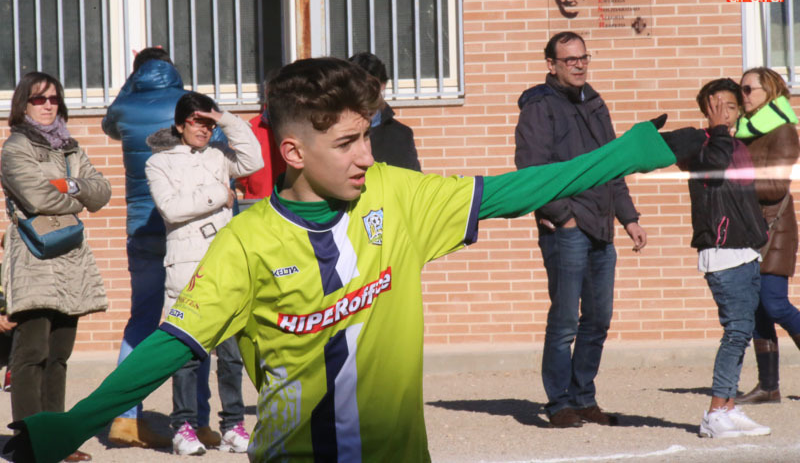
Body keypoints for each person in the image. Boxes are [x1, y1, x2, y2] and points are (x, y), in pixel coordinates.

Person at [4, 57, 695, 463]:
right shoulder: (246, 241)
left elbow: (519, 190)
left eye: (367, 135)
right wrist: (72, 423)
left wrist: (632, 151)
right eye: (346, 142)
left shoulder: (398, 195)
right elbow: (170, 344)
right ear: (294, 152)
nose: (366, 154)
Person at [514, 31, 647, 428]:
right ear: (551, 65)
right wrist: (562, 216)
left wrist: (629, 218)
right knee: (565, 322)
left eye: (583, 58)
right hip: (567, 229)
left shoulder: (595, 102)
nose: (578, 65)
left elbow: (613, 164)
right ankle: (559, 404)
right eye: (569, 59)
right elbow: (532, 169)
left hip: (601, 226)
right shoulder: (539, 106)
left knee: (598, 319)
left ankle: (583, 397)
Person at [101, 48, 221, 448]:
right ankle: (198, 420)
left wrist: (130, 85)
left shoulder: (125, 107)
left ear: (135, 74)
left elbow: (108, 124)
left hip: (143, 230)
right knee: (196, 322)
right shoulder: (189, 107)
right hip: (190, 233)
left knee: (141, 321)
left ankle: (125, 417)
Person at [1, 72, 112, 462]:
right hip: (34, 255)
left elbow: (102, 190)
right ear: (23, 105)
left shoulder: (70, 146)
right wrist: (77, 193)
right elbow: (36, 198)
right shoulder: (16, 147)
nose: (48, 105)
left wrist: (70, 186)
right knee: (32, 351)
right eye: (38, 99)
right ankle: (30, 443)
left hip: (70, 256)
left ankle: (56, 441)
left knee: (59, 354)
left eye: (53, 99)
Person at [145, 92, 263, 454]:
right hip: (186, 265)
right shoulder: (158, 162)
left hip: (225, 264)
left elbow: (254, 159)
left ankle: (233, 426)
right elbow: (171, 209)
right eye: (198, 122)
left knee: (231, 354)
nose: (205, 130)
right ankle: (183, 427)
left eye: (210, 124)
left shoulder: (219, 155)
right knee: (186, 355)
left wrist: (225, 118)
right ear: (180, 124)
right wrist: (219, 193)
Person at [678, 79, 770, 438]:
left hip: (747, 250)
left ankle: (729, 407)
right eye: (716, 106)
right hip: (721, 252)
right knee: (735, 332)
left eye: (731, 106)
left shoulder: (737, 145)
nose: (724, 113)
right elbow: (713, 165)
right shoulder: (697, 144)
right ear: (706, 109)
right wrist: (716, 130)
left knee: (742, 331)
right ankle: (715, 413)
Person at [734, 67, 800, 405]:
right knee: (757, 308)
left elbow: (775, 186)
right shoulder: (743, 130)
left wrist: (734, 182)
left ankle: (769, 386)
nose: (742, 95)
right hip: (748, 228)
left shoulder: (783, 130)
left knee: (775, 304)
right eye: (741, 89)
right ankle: (768, 387)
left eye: (749, 89)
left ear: (769, 92)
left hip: (775, 228)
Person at [348, 52, 422, 171]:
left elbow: (413, 179)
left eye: (369, 85)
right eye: (356, 85)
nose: (362, 91)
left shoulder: (401, 135)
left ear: (382, 85)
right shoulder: (334, 131)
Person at [237, 86, 286, 199]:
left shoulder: (298, 126)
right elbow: (241, 164)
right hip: (259, 199)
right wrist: (254, 186)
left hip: (290, 201)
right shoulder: (253, 126)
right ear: (267, 94)